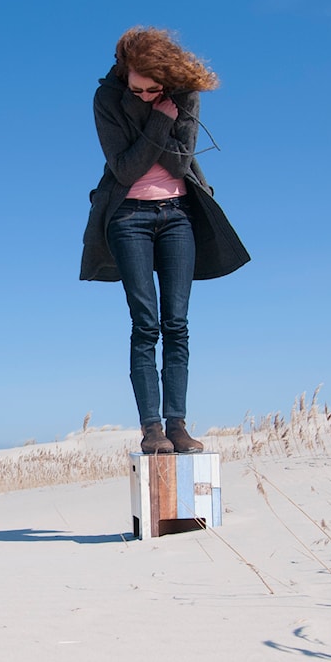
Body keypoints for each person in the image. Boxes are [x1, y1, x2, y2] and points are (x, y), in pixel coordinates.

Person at [81, 27, 250, 454]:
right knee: (146, 324)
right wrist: (161, 119)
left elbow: (180, 162)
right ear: (125, 74)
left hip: (178, 217)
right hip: (127, 217)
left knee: (178, 324)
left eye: (153, 91)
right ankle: (152, 429)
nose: (142, 96)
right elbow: (124, 169)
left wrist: (156, 137)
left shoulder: (186, 94)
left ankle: (177, 425)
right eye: (136, 90)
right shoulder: (107, 99)